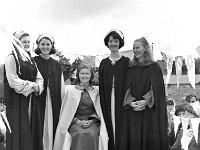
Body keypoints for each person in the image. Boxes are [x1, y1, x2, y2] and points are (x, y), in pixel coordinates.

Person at [119, 37, 168, 150]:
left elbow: (157, 89)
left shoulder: (154, 67)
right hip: (134, 111)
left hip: (149, 112)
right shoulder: (130, 68)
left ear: (145, 49)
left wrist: (146, 101)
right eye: (133, 48)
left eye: (138, 47)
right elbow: (126, 88)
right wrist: (131, 102)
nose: (135, 50)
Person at [4, 30, 44, 150]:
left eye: (28, 42)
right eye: (23, 42)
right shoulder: (11, 58)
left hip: (31, 100)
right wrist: (33, 86)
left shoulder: (31, 60)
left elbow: (40, 79)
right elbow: (13, 81)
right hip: (17, 101)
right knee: (19, 130)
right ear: (16, 43)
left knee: (31, 129)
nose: (27, 44)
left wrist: (37, 87)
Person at [53, 63, 108, 150]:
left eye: (87, 73)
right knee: (78, 133)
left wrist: (91, 121)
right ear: (78, 75)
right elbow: (67, 113)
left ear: (91, 75)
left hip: (92, 122)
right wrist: (78, 122)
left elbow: (99, 111)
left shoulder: (96, 92)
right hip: (75, 122)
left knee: (92, 134)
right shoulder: (71, 91)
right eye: (82, 73)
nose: (84, 76)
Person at [99, 29, 130, 150]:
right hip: (107, 99)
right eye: (111, 41)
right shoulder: (103, 63)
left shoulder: (126, 62)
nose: (113, 44)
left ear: (120, 42)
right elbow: (101, 83)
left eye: (116, 41)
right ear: (107, 43)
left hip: (122, 99)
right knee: (109, 125)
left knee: (121, 125)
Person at [34, 33, 65, 150]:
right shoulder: (33, 61)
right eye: (43, 44)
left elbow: (61, 84)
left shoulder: (56, 64)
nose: (45, 47)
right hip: (38, 99)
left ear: (52, 46)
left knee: (53, 125)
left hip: (54, 100)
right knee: (40, 125)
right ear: (38, 45)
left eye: (48, 44)